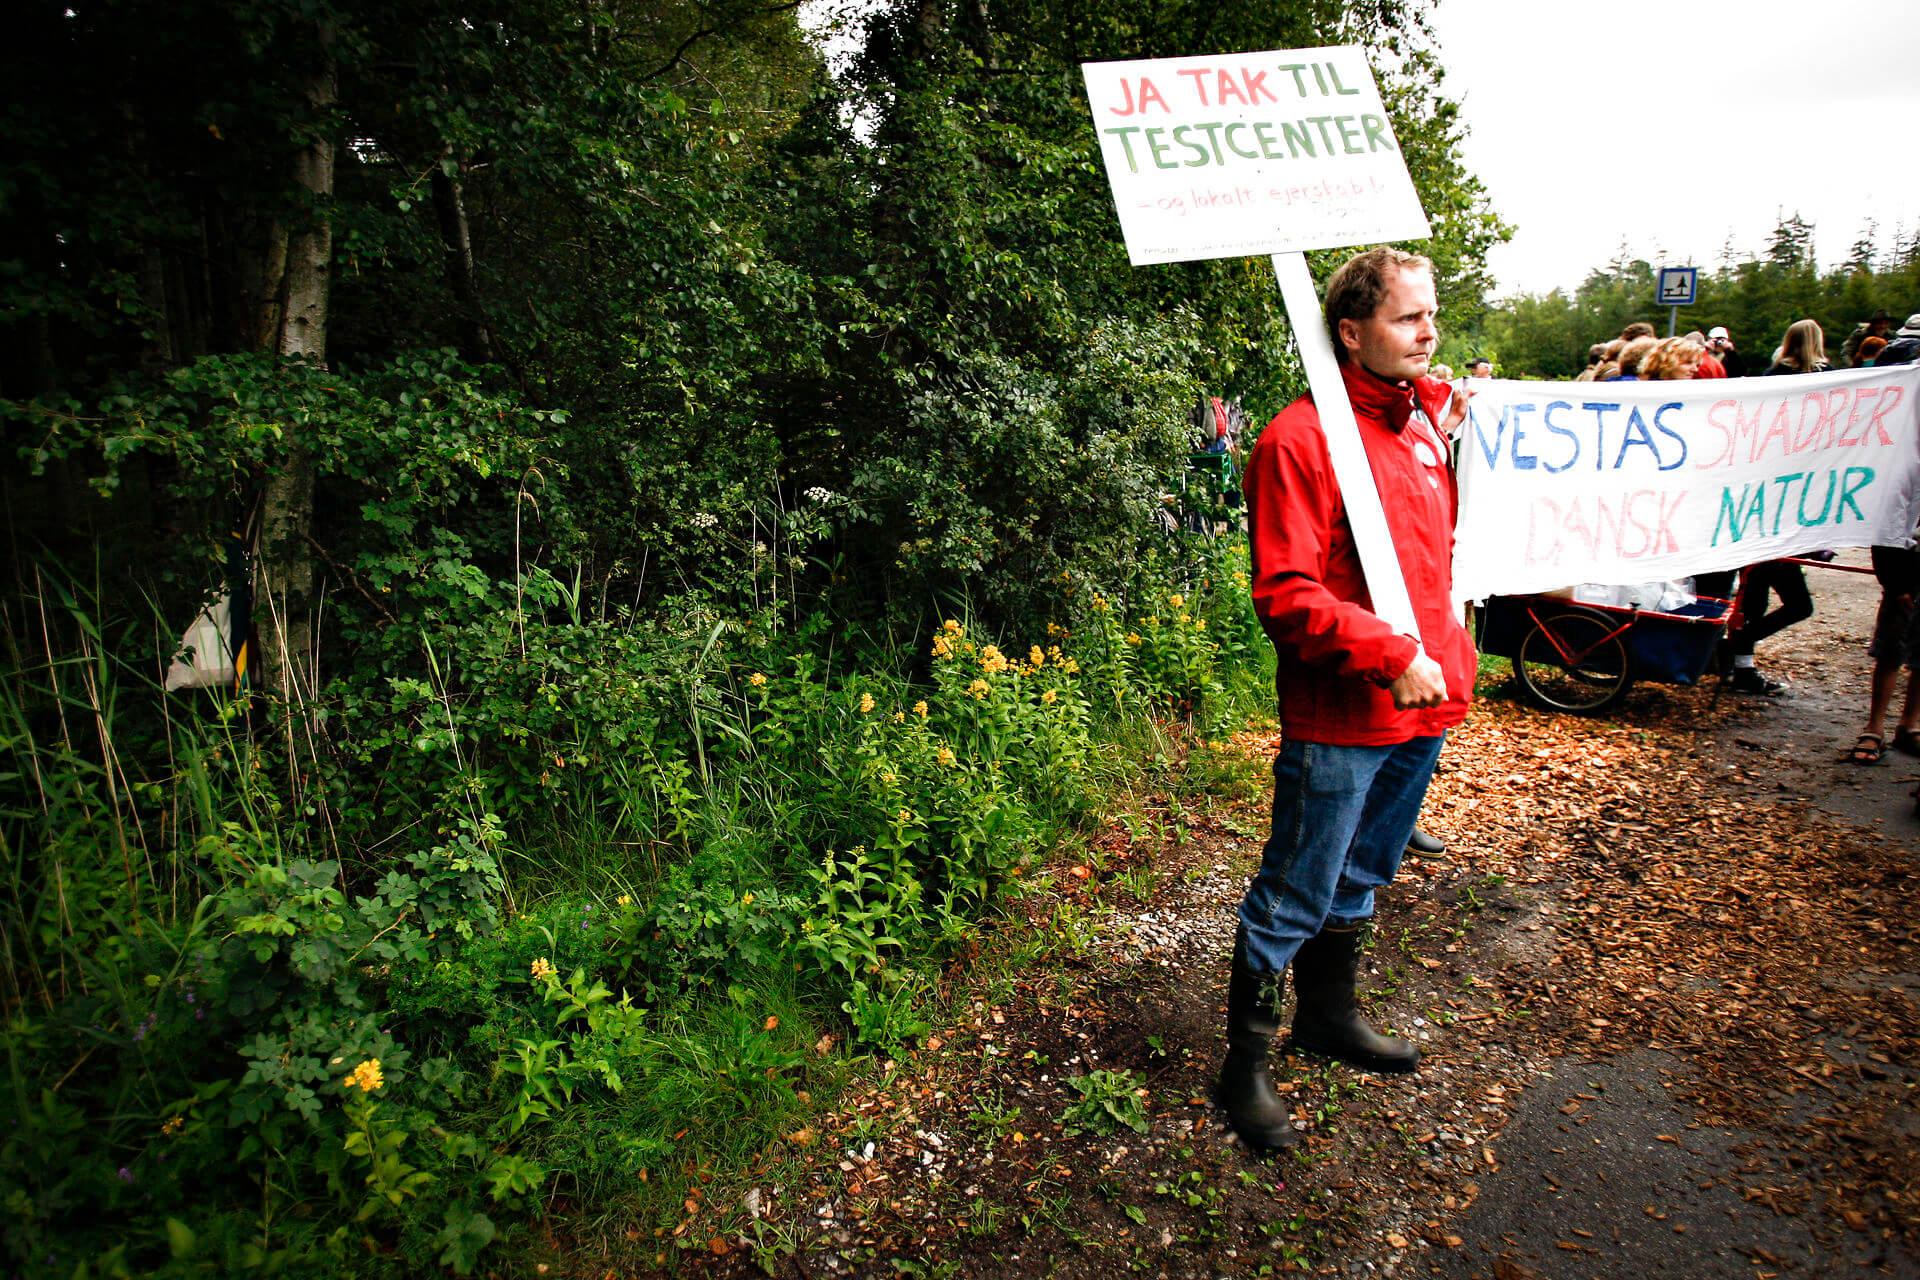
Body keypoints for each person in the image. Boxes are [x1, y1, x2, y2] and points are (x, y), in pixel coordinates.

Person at [1222, 246, 1474, 1151]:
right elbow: (1286, 594)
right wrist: (1388, 652)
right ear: (1351, 332)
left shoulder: (1419, 427)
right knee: (1297, 888)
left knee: (1364, 874)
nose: (1429, 331)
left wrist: (1438, 658)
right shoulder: (1298, 439)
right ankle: (1242, 1064)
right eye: (1409, 317)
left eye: (1430, 313)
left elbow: (1426, 557)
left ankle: (1327, 1019)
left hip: (1425, 703)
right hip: (1346, 711)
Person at [1852, 537, 1920, 764]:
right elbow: (1885, 534)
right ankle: (1875, 728)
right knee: (1890, 652)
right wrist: (1897, 585)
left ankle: (1909, 725)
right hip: (1905, 577)